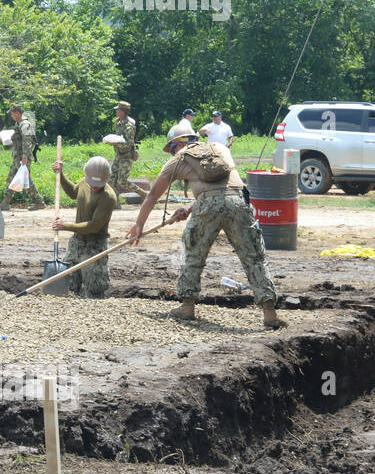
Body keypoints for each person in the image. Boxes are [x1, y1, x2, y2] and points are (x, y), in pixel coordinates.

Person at [126, 124, 286, 328]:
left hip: (208, 204)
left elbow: (152, 196)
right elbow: (222, 189)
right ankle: (269, 313)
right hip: (238, 201)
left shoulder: (178, 159)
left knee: (193, 254)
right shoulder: (220, 149)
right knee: (254, 256)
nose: (173, 151)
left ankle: (186, 307)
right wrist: (189, 208)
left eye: (172, 147)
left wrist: (139, 224)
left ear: (177, 144)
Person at [52, 156, 116, 298]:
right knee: (68, 284)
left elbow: (94, 226)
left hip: (95, 246)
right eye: (92, 183)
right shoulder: (84, 182)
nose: (94, 187)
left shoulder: (109, 197)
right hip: (77, 242)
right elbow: (74, 193)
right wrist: (60, 175)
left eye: (98, 185)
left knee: (95, 289)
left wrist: (66, 226)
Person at [0, 105, 45, 211]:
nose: (11, 116)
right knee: (11, 178)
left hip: (22, 158)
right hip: (17, 157)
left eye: (12, 113)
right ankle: (5, 202)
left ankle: (39, 202)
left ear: (17, 113)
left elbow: (27, 141)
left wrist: (25, 157)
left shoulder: (25, 124)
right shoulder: (19, 124)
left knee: (26, 180)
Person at [109, 100, 145, 203]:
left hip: (126, 156)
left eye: (118, 110)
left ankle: (142, 193)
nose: (116, 112)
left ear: (123, 111)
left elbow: (129, 143)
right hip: (118, 155)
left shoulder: (129, 126)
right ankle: (115, 202)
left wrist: (115, 143)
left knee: (122, 182)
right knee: (111, 179)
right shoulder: (119, 122)